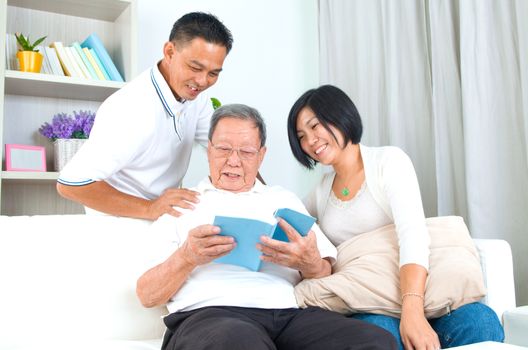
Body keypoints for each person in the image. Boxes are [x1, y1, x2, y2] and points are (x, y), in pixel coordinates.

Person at [137, 103, 397, 350]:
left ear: (261, 155)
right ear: (209, 151)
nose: (234, 161)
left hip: (287, 317)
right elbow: (147, 295)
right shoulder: (181, 205)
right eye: (224, 149)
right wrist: (187, 256)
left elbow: (323, 273)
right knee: (239, 341)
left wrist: (309, 263)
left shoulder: (282, 199)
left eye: (247, 152)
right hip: (209, 316)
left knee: (374, 340)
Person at [286, 84, 504, 350]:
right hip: (371, 303)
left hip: (424, 296)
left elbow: (413, 236)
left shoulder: (388, 162)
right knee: (377, 334)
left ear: (341, 115)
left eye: (315, 125)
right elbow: (289, 220)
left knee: (482, 323)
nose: (310, 141)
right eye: (301, 136)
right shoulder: (321, 191)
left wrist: (413, 312)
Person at [56, 12, 233, 220]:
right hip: (121, 222)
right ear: (169, 52)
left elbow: (228, 148)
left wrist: (263, 198)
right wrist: (150, 208)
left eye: (213, 73)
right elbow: (70, 184)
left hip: (160, 218)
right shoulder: (131, 108)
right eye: (195, 67)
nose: (203, 81)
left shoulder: (196, 99)